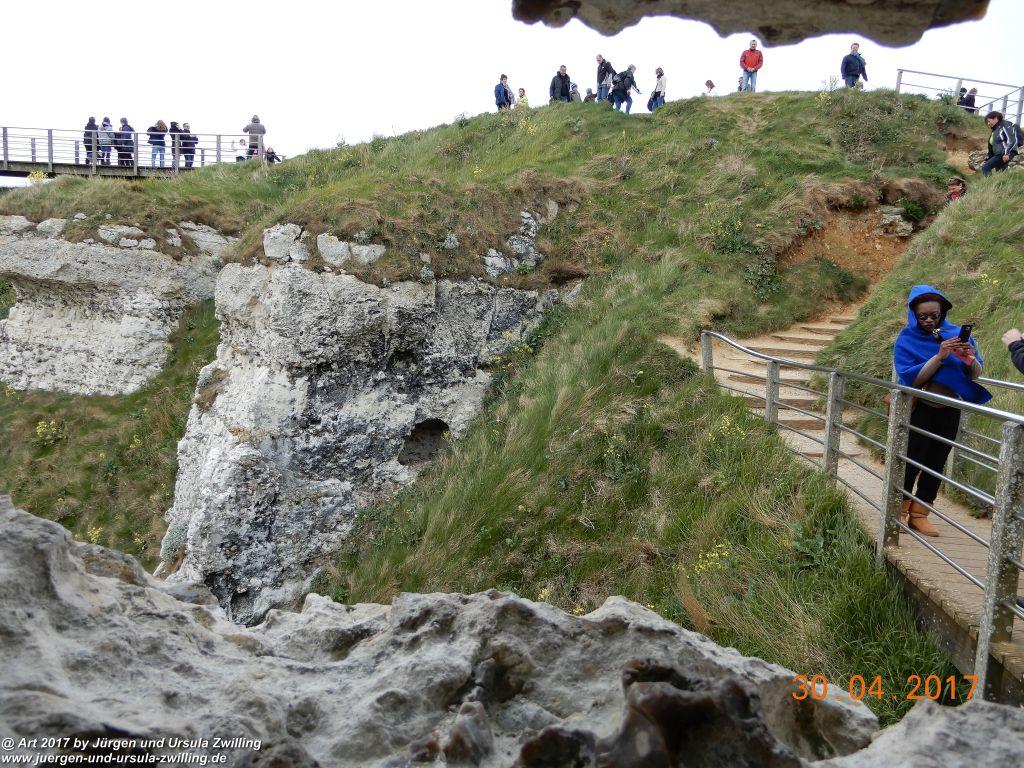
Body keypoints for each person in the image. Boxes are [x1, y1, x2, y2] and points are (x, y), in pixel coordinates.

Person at [894, 285, 991, 537]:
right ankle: (899, 511)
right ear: (913, 314)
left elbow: (975, 374)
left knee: (936, 461)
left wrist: (969, 357)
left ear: (943, 313)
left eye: (934, 315)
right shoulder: (906, 339)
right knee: (911, 460)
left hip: (950, 408)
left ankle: (920, 513)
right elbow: (911, 379)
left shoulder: (957, 335)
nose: (928, 320)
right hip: (921, 408)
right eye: (922, 316)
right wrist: (939, 356)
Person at [981, 111, 1020, 175]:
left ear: (995, 118)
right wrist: (988, 159)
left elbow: (1011, 139)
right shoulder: (995, 130)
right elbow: (992, 147)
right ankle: (1001, 184)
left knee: (985, 167)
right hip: (999, 154)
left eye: (989, 121)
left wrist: (1006, 153)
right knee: (1001, 173)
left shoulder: (1005, 124)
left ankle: (990, 183)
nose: (988, 124)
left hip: (1004, 153)